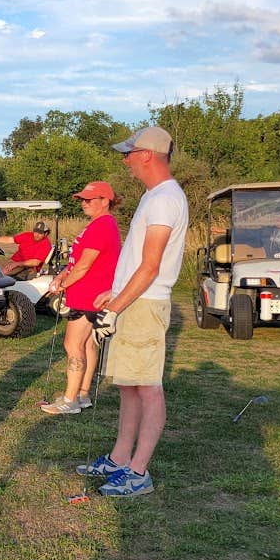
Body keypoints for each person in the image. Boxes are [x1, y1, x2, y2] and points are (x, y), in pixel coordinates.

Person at [83, 126, 189, 497]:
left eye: (129, 153)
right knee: (129, 386)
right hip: (134, 301)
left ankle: (138, 471)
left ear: (147, 155)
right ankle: (118, 459)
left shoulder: (164, 200)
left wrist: (116, 307)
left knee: (148, 389)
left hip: (144, 305)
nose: (125, 160)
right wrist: (115, 291)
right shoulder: (154, 197)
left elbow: (152, 266)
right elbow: (136, 263)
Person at [41, 181, 122, 415]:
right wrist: (62, 276)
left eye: (89, 199)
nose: (84, 203)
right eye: (82, 200)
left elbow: (85, 266)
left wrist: (62, 285)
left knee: (72, 344)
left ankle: (69, 400)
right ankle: (82, 394)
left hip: (89, 296)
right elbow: (77, 261)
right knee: (87, 344)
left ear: (105, 200)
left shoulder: (103, 225)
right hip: (87, 295)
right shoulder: (97, 225)